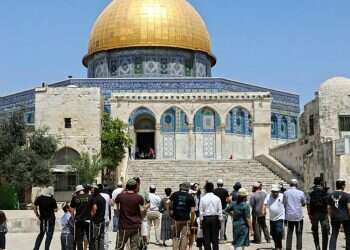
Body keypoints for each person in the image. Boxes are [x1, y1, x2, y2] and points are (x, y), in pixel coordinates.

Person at [115, 178, 145, 250]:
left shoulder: (121, 196)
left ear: (127, 186)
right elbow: (142, 210)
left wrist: (124, 188)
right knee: (135, 247)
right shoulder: (139, 198)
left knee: (119, 247)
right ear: (135, 187)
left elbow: (116, 203)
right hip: (136, 226)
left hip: (124, 226)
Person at [170, 182, 196, 250]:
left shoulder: (175, 194)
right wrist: (192, 220)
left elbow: (168, 202)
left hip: (176, 218)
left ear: (181, 187)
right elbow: (193, 211)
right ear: (188, 188)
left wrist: (169, 211)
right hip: (186, 219)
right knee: (184, 236)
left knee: (176, 236)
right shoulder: (190, 196)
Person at [307, 177, 330, 250]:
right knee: (325, 232)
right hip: (323, 213)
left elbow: (308, 204)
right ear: (321, 183)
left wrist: (309, 214)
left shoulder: (311, 192)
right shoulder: (325, 192)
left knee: (315, 231)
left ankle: (317, 246)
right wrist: (327, 214)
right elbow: (327, 204)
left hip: (314, 213)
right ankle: (324, 248)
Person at [328, 179, 350, 250]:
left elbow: (328, 207)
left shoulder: (330, 195)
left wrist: (330, 215)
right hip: (345, 217)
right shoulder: (347, 195)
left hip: (334, 216)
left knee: (334, 234)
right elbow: (349, 207)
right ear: (343, 186)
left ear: (336, 185)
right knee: (348, 234)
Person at [200, 182, 223, 250]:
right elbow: (220, 210)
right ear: (213, 188)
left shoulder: (203, 198)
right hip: (215, 218)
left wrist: (201, 220)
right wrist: (220, 220)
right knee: (215, 238)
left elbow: (201, 211)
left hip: (206, 218)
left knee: (206, 238)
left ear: (206, 189)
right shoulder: (217, 198)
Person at [284, 179, 305, 250]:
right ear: (297, 185)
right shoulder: (301, 193)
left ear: (290, 184)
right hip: (298, 216)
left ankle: (288, 248)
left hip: (289, 216)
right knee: (299, 234)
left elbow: (284, 204)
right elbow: (303, 203)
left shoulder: (286, 193)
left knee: (289, 233)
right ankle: (299, 248)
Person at [263, 184, 285, 250]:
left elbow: (286, 204)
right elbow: (264, 204)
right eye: (274, 191)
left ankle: (279, 246)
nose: (275, 193)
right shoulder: (268, 196)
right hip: (272, 218)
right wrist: (263, 210)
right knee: (273, 233)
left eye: (276, 191)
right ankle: (276, 246)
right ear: (271, 191)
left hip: (280, 217)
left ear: (278, 191)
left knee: (278, 231)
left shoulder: (282, 196)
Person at [70, 185, 91, 250]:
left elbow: (72, 209)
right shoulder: (89, 197)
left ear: (78, 191)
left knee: (79, 239)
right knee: (89, 238)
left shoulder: (75, 198)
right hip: (87, 220)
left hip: (78, 220)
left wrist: (73, 218)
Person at [133, 177, 150, 250]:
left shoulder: (144, 192)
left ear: (139, 183)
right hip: (133, 217)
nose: (135, 185)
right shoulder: (131, 192)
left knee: (144, 234)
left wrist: (144, 208)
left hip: (143, 217)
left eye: (136, 183)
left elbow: (149, 203)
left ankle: (145, 246)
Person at [88, 184, 106, 250]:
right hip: (102, 220)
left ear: (95, 190)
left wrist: (90, 215)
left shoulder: (94, 198)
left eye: (92, 190)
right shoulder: (102, 198)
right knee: (101, 237)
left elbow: (94, 209)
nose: (91, 191)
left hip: (95, 222)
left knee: (93, 238)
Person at [99, 184, 112, 250]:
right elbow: (110, 205)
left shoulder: (97, 196)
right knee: (106, 232)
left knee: (99, 233)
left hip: (99, 218)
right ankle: (106, 247)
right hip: (106, 217)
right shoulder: (107, 195)